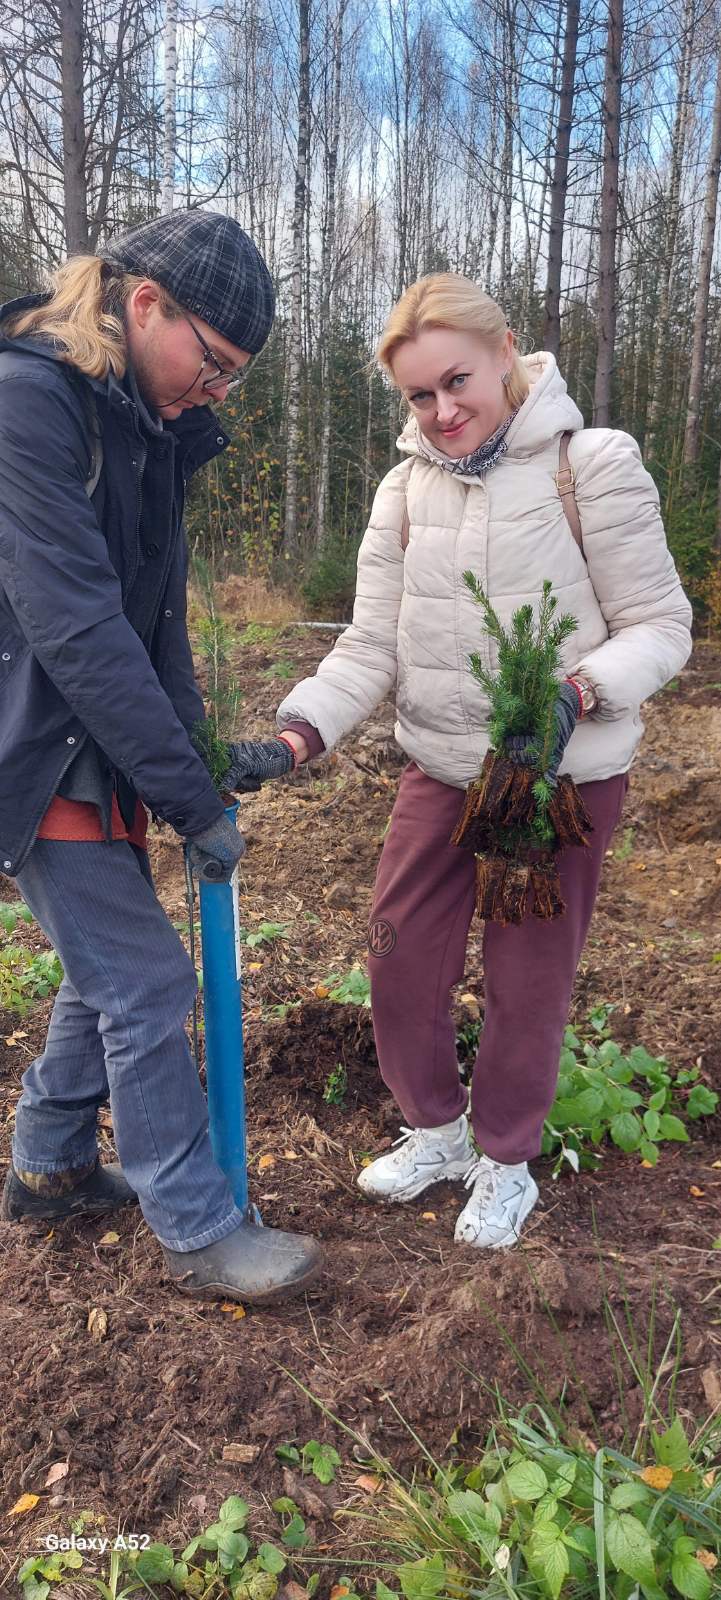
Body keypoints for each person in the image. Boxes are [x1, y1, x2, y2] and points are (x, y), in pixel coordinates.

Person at [275, 273, 693, 1250]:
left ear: (505, 354)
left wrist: (575, 690)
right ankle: (437, 1131)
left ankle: (506, 1162)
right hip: (438, 763)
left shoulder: (588, 465)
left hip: (545, 775)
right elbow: (366, 646)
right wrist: (299, 729)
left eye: (456, 380)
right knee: (398, 956)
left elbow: (662, 627)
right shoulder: (403, 487)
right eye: (420, 395)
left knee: (525, 977)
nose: (443, 409)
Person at [0, 210, 322, 1303]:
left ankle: (46, 1163)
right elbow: (78, 627)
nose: (217, 393)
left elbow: (156, 627)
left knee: (106, 969)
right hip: (31, 740)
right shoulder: (29, 402)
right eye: (216, 364)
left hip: (87, 737)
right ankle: (194, 1227)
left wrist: (193, 758)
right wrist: (191, 803)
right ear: (146, 305)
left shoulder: (145, 425)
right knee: (146, 981)